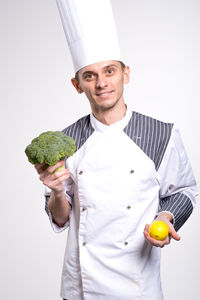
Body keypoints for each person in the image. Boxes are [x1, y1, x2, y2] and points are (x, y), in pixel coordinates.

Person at [34, 1, 198, 299]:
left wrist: (166, 218)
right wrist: (57, 192)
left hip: (138, 287)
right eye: (90, 75)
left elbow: (184, 191)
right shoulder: (67, 140)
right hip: (81, 287)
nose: (101, 84)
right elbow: (60, 218)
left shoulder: (161, 134)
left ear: (126, 74)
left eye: (109, 71)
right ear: (77, 84)